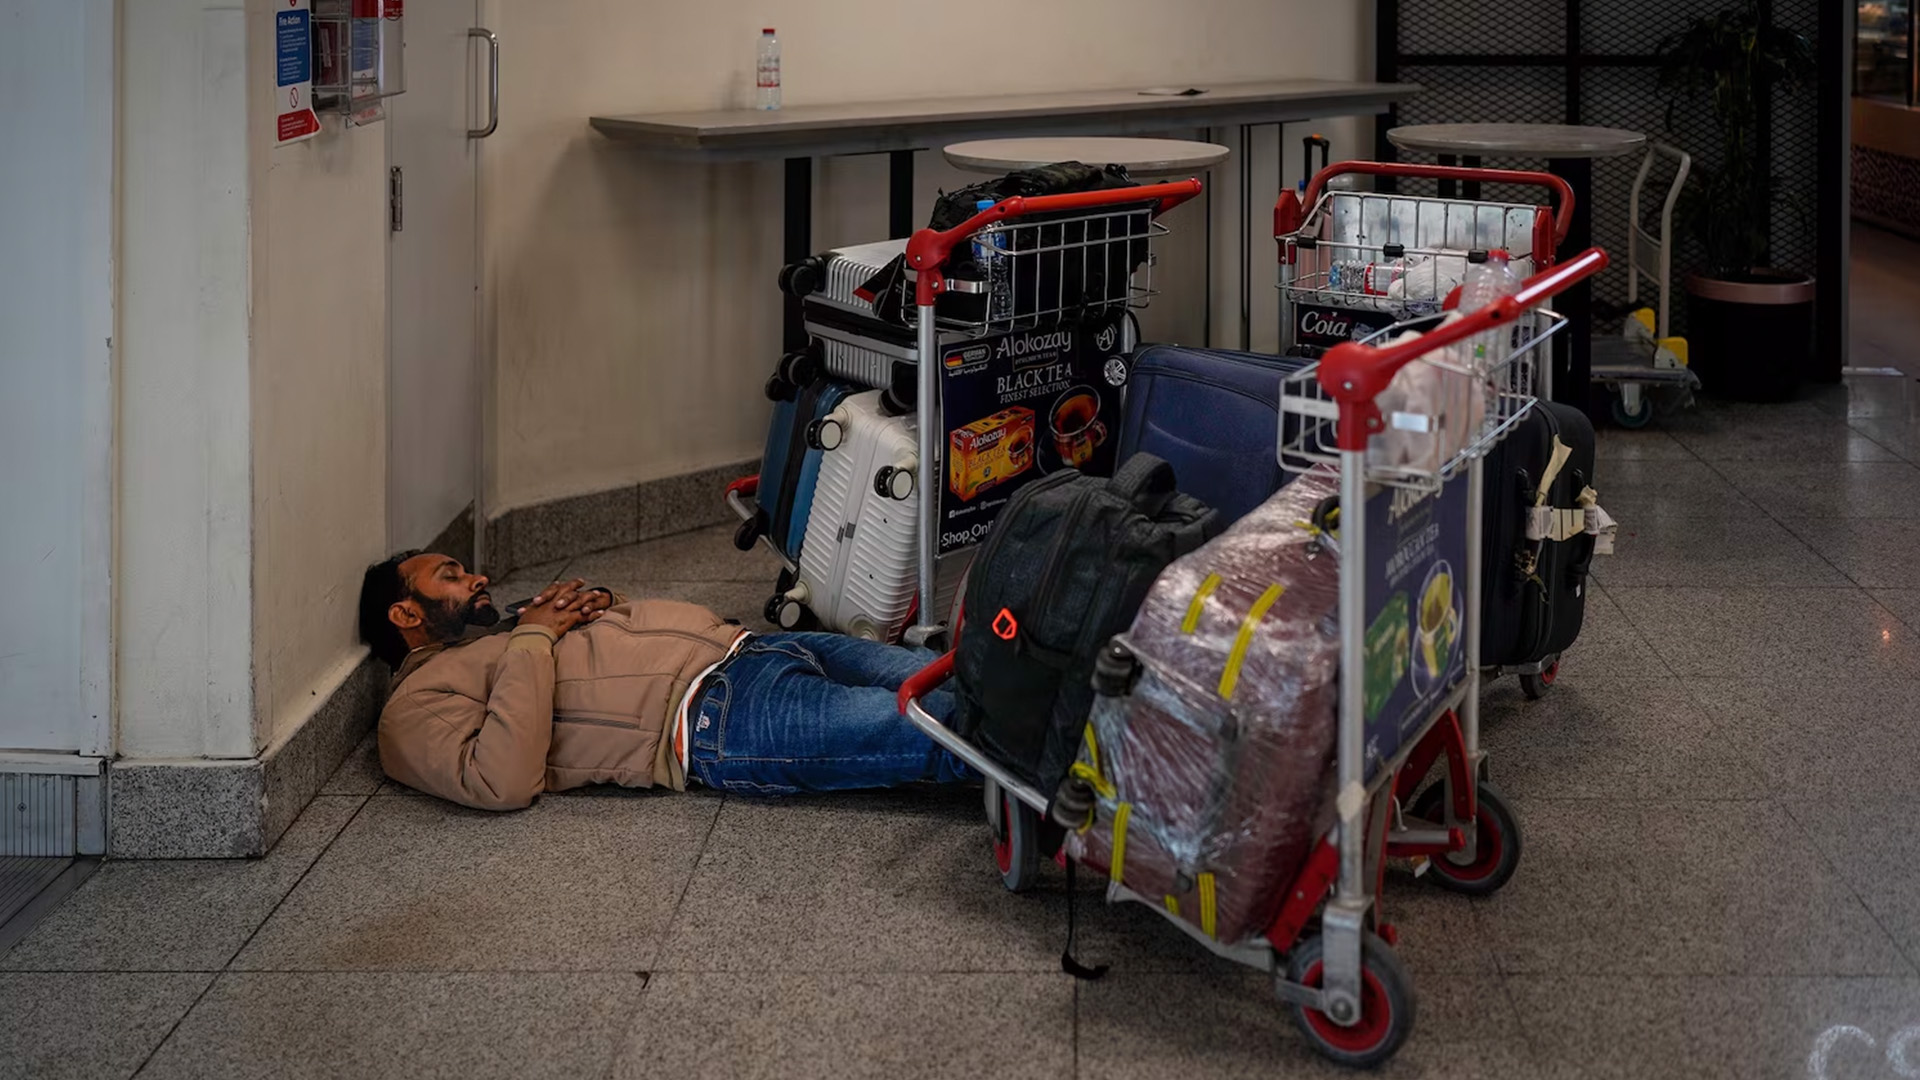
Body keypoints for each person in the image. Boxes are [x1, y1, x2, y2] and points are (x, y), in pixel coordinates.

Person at [358, 551, 968, 811]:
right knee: (949, 730)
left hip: (754, 646)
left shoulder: (496, 637)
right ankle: (1063, 768)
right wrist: (537, 635)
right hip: (716, 715)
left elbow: (613, 659)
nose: (476, 578)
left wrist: (602, 603)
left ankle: (1057, 706)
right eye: (451, 577)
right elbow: (501, 781)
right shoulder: (410, 710)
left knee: (964, 676)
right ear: (406, 615)